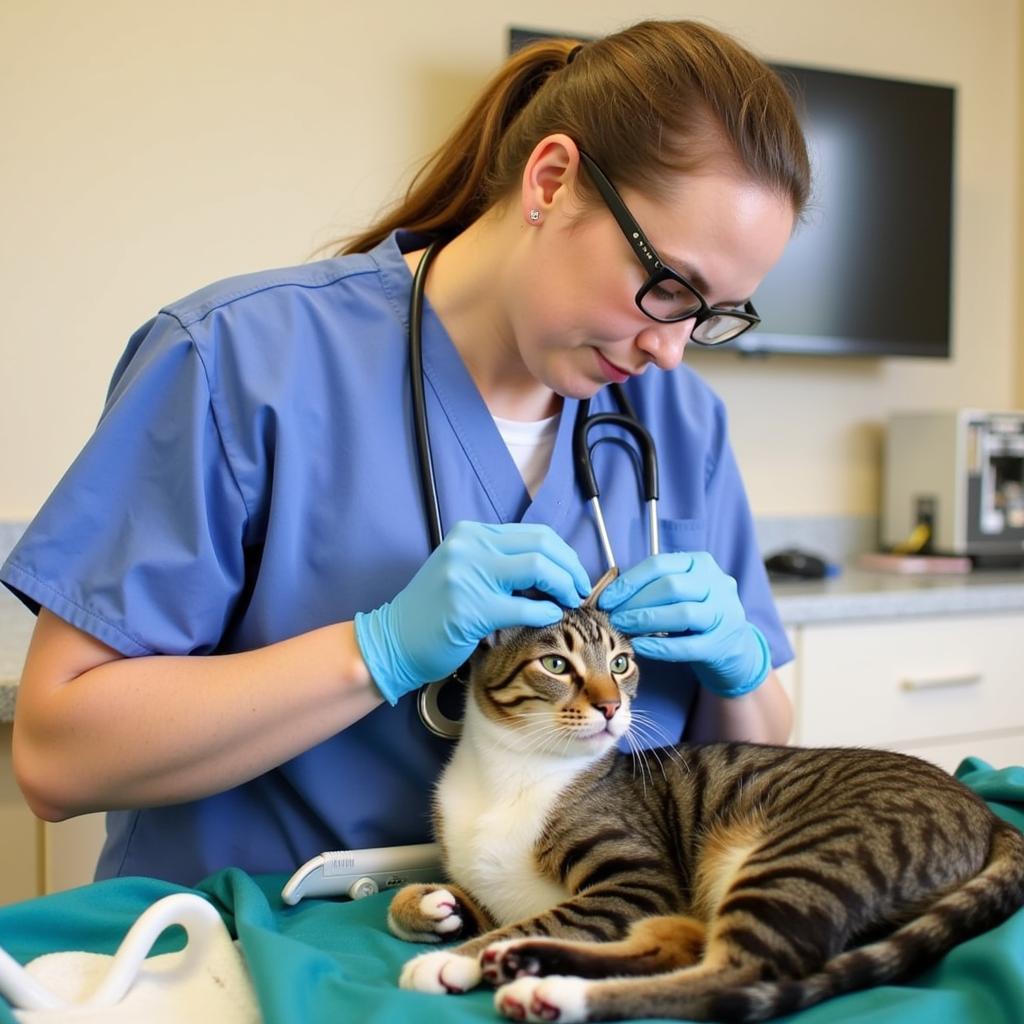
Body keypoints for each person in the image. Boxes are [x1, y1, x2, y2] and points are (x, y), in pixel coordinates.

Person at [2, 20, 810, 887]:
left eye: (714, 315)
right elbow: (57, 757)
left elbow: (751, 758)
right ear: (552, 179)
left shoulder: (676, 422)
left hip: (550, 943)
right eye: (668, 289)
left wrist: (743, 668)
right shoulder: (239, 358)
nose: (673, 348)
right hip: (247, 943)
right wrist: (374, 651)